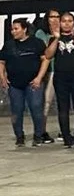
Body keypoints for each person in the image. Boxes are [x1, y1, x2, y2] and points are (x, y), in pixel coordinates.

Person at [43, 11, 74, 147]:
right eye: (64, 21)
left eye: (69, 21)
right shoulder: (54, 38)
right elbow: (48, 55)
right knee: (63, 108)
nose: (66, 23)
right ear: (60, 23)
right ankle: (66, 137)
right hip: (61, 78)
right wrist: (57, 39)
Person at [0, 18, 50, 146]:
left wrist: (39, 78)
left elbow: (45, 60)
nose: (13, 31)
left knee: (36, 108)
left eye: (16, 29)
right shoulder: (8, 45)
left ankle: (38, 136)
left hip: (33, 83)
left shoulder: (37, 43)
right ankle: (19, 136)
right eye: (12, 29)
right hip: (15, 84)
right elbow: (2, 62)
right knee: (16, 111)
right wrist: (2, 77)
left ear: (24, 29)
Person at [32, 10, 57, 144]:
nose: (55, 19)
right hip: (49, 71)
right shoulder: (41, 33)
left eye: (57, 17)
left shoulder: (65, 31)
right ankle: (41, 131)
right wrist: (55, 38)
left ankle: (64, 130)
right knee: (46, 102)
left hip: (63, 71)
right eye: (52, 17)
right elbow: (45, 53)